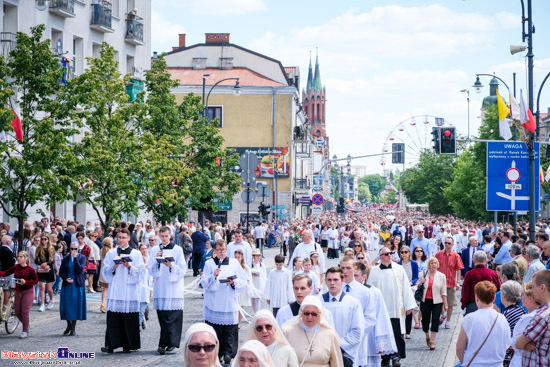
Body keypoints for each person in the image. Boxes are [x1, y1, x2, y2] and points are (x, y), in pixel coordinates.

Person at [367, 247, 416, 367]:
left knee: (397, 333)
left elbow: (405, 287)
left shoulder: (399, 269)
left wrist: (409, 305)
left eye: (391, 253)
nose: (390, 255)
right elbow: (370, 290)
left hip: (396, 307)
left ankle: (396, 356)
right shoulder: (374, 271)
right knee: (383, 333)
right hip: (381, 309)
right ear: (381, 256)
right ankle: (385, 357)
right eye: (386, 254)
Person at [201, 239, 247, 364]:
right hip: (214, 302)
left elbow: (243, 279)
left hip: (229, 300)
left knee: (230, 330)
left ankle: (228, 353)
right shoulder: (209, 264)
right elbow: (204, 282)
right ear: (214, 251)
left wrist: (233, 282)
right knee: (216, 330)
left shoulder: (233, 263)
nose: (222, 252)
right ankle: (217, 353)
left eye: (224, 250)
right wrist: (214, 276)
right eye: (219, 250)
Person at [101, 228, 146, 354]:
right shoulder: (111, 253)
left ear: (129, 238)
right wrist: (114, 267)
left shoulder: (136, 254)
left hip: (129, 290)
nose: (121, 240)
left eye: (124, 237)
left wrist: (129, 266)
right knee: (114, 318)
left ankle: (128, 344)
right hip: (116, 289)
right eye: (119, 237)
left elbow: (141, 272)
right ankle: (111, 344)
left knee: (129, 318)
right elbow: (105, 271)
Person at [148, 226, 186, 355]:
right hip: (161, 286)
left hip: (173, 288)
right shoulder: (154, 249)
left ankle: (166, 344)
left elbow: (182, 269)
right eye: (162, 236)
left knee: (172, 317)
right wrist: (157, 262)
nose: (164, 238)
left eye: (166, 236)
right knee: (163, 317)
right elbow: (150, 270)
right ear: (159, 235)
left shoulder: (177, 250)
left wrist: (171, 265)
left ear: (170, 235)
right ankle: (167, 343)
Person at [456, 281, 511, 367]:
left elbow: (459, 348)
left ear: (476, 298)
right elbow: (507, 345)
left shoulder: (469, 319)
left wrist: (465, 362)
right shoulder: (502, 318)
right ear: (494, 298)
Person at [282, 295, 343, 367]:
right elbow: (282, 360)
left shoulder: (330, 334)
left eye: (314, 314)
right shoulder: (288, 332)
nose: (310, 317)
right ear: (301, 313)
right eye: (306, 313)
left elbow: (337, 363)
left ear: (320, 315)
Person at [322, 266, 364, 367]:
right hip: (322, 352)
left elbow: (357, 330)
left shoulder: (353, 303)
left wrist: (338, 347)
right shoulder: (318, 301)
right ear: (325, 281)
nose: (332, 283)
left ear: (343, 280)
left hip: (345, 353)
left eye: (336, 279)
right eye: (329, 280)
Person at [340, 256, 377, 367]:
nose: (345, 271)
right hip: (338, 341)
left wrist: (354, 337)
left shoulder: (365, 292)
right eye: (342, 268)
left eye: (348, 268)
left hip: (358, 341)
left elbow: (370, 318)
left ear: (355, 269)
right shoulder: (335, 289)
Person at [515, 270, 550, 367]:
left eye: (533, 286)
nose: (531, 291)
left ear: (542, 288)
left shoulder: (542, 316)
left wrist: (524, 344)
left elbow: (519, 343)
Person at [0, 251, 38, 338]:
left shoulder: (30, 269)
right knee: (17, 312)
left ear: (25, 258)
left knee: (24, 311)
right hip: (18, 291)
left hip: (28, 291)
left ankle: (24, 331)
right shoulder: (16, 267)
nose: (19, 258)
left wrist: (26, 282)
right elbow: (5, 273)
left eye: (21, 256)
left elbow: (35, 281)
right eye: (18, 256)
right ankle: (26, 324)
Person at [417, 257, 447, 350]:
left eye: (435, 263)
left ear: (437, 265)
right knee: (425, 320)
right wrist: (420, 282)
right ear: (429, 264)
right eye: (431, 263)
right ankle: (427, 335)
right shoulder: (423, 274)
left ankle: (432, 341)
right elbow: (417, 286)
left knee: (435, 320)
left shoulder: (442, 276)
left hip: (437, 301)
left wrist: (445, 304)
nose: (433, 264)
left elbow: (444, 291)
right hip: (425, 301)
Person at [435, 236, 464, 328]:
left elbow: (459, 269)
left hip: (451, 282)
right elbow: (434, 267)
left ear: (452, 244)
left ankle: (448, 321)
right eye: (445, 243)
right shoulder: (438, 255)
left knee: (450, 303)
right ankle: (442, 315)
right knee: (439, 302)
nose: (447, 244)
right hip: (439, 283)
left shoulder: (456, 256)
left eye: (449, 243)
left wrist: (458, 281)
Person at [59, 242, 87, 336]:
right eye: (72, 249)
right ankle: (68, 325)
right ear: (69, 249)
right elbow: (61, 272)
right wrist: (66, 279)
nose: (74, 251)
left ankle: (73, 328)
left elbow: (80, 270)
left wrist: (75, 259)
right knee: (65, 306)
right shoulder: (66, 258)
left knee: (75, 306)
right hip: (67, 284)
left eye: (76, 249)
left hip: (77, 284)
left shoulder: (82, 257)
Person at [509, 281, 540, 367]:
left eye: (523, 295)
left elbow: (516, 343)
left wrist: (510, 344)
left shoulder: (529, 318)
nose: (521, 297)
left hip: (522, 361)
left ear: (530, 298)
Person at [397, 245, 419, 336]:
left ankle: (408, 331)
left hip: (410, 287)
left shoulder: (414, 264)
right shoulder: (398, 265)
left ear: (409, 253)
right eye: (402, 252)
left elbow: (416, 277)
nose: (404, 254)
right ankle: (401, 328)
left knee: (409, 309)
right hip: (400, 288)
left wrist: (411, 283)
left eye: (406, 252)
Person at [35, 234, 56, 312]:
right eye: (42, 239)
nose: (43, 241)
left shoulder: (51, 248)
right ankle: (42, 303)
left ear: (48, 240)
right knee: (42, 287)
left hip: (49, 269)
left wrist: (46, 263)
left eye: (45, 239)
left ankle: (51, 299)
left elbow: (53, 260)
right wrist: (42, 264)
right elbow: (36, 260)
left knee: (49, 288)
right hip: (41, 270)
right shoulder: (38, 248)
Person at [138, 243, 151, 329]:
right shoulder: (138, 260)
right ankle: (140, 322)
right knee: (139, 309)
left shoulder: (150, 260)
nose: (144, 250)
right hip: (139, 287)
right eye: (142, 249)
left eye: (145, 248)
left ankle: (141, 320)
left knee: (143, 307)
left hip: (146, 287)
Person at [98, 237, 112, 314]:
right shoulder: (111, 251)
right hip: (108, 272)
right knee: (108, 289)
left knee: (104, 289)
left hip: (102, 272)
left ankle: (103, 303)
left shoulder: (101, 250)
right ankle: (105, 304)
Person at [250, 248, 267, 314]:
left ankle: (257, 313)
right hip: (253, 283)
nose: (257, 257)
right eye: (256, 256)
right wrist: (252, 273)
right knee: (253, 299)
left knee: (257, 299)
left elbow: (264, 275)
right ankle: (255, 312)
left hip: (259, 284)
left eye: (258, 256)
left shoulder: (262, 265)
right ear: (253, 256)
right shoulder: (251, 264)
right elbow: (248, 273)